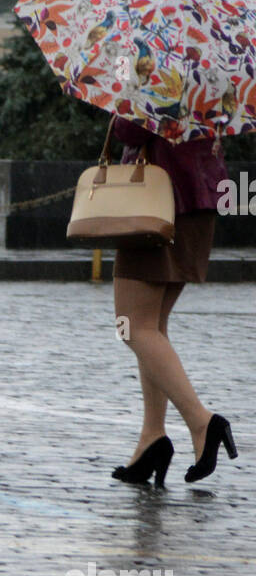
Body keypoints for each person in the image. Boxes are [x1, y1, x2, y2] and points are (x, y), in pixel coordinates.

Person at [111, 115, 237, 486]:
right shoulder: (212, 66)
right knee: (153, 328)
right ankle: (153, 436)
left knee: (132, 326)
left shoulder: (155, 61)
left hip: (157, 201)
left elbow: (130, 128)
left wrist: (118, 109)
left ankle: (202, 422)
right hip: (198, 197)